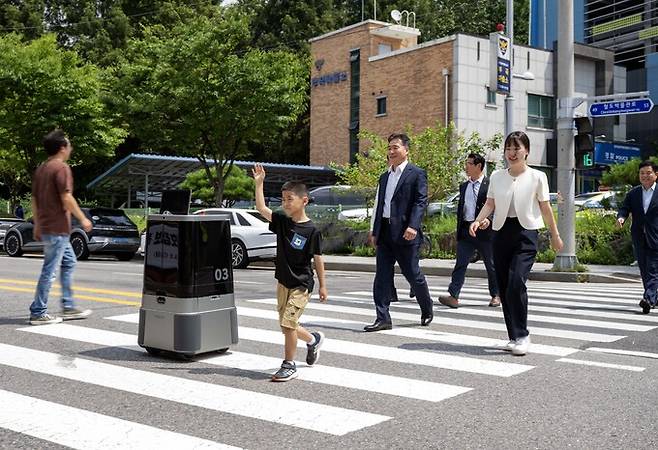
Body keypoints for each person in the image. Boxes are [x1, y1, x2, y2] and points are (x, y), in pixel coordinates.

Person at [469, 131, 563, 356]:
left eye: (517, 149)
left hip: (526, 233)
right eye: (508, 149)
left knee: (516, 282)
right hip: (500, 233)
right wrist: (478, 220)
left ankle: (523, 334)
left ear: (526, 151)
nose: (512, 153)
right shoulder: (498, 176)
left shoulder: (537, 176)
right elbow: (490, 203)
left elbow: (545, 208)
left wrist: (555, 235)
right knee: (503, 286)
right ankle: (513, 336)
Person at [253, 163, 328, 381]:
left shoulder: (312, 230)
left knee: (288, 324)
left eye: (289, 199)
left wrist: (323, 285)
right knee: (288, 325)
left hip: (301, 284)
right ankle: (313, 340)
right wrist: (259, 184)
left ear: (304, 201)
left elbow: (318, 259)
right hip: (283, 282)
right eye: (283, 199)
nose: (285, 203)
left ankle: (289, 365)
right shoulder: (283, 223)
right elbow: (261, 209)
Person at [365, 133, 434, 331]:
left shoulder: (416, 173)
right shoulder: (384, 176)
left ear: (406, 150)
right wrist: (373, 229)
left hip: (406, 232)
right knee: (382, 276)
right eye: (389, 148)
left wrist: (413, 225)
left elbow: (421, 201)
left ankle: (426, 308)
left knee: (413, 274)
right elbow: (380, 204)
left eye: (396, 147)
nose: (392, 151)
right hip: (385, 231)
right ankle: (383, 317)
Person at [29, 130, 93, 325]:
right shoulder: (61, 168)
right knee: (50, 270)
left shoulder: (41, 169)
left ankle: (68, 306)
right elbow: (66, 197)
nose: (71, 148)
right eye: (69, 145)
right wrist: (83, 219)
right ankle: (38, 311)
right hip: (57, 228)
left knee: (69, 262)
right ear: (62, 148)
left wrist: (38, 225)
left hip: (51, 228)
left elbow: (34, 199)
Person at [438, 153, 500, 308]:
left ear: (479, 166)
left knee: (491, 265)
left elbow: (496, 205)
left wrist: (489, 219)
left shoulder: (490, 184)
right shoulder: (464, 186)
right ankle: (453, 296)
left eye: (469, 164)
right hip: (466, 230)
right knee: (460, 263)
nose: (466, 167)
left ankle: (496, 295)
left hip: (485, 232)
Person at [617, 160, 658, 314]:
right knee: (644, 269)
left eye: (648, 173)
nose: (645, 176)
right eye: (642, 173)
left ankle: (647, 299)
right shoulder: (633, 193)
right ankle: (654, 297)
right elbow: (624, 208)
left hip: (656, 237)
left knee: (653, 269)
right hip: (639, 236)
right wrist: (621, 218)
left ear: (656, 174)